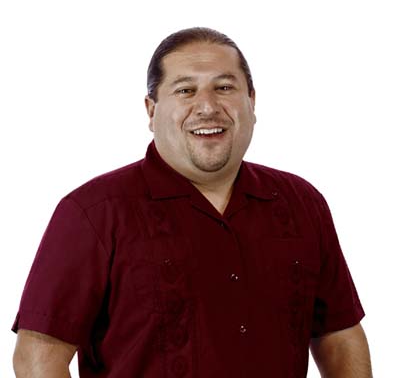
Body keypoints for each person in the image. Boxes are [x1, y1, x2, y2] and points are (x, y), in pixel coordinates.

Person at [12, 27, 373, 377]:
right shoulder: (94, 212)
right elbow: (38, 358)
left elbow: (338, 336)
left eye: (225, 87)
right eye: (185, 90)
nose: (207, 106)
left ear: (252, 101)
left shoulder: (301, 203)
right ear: (151, 111)